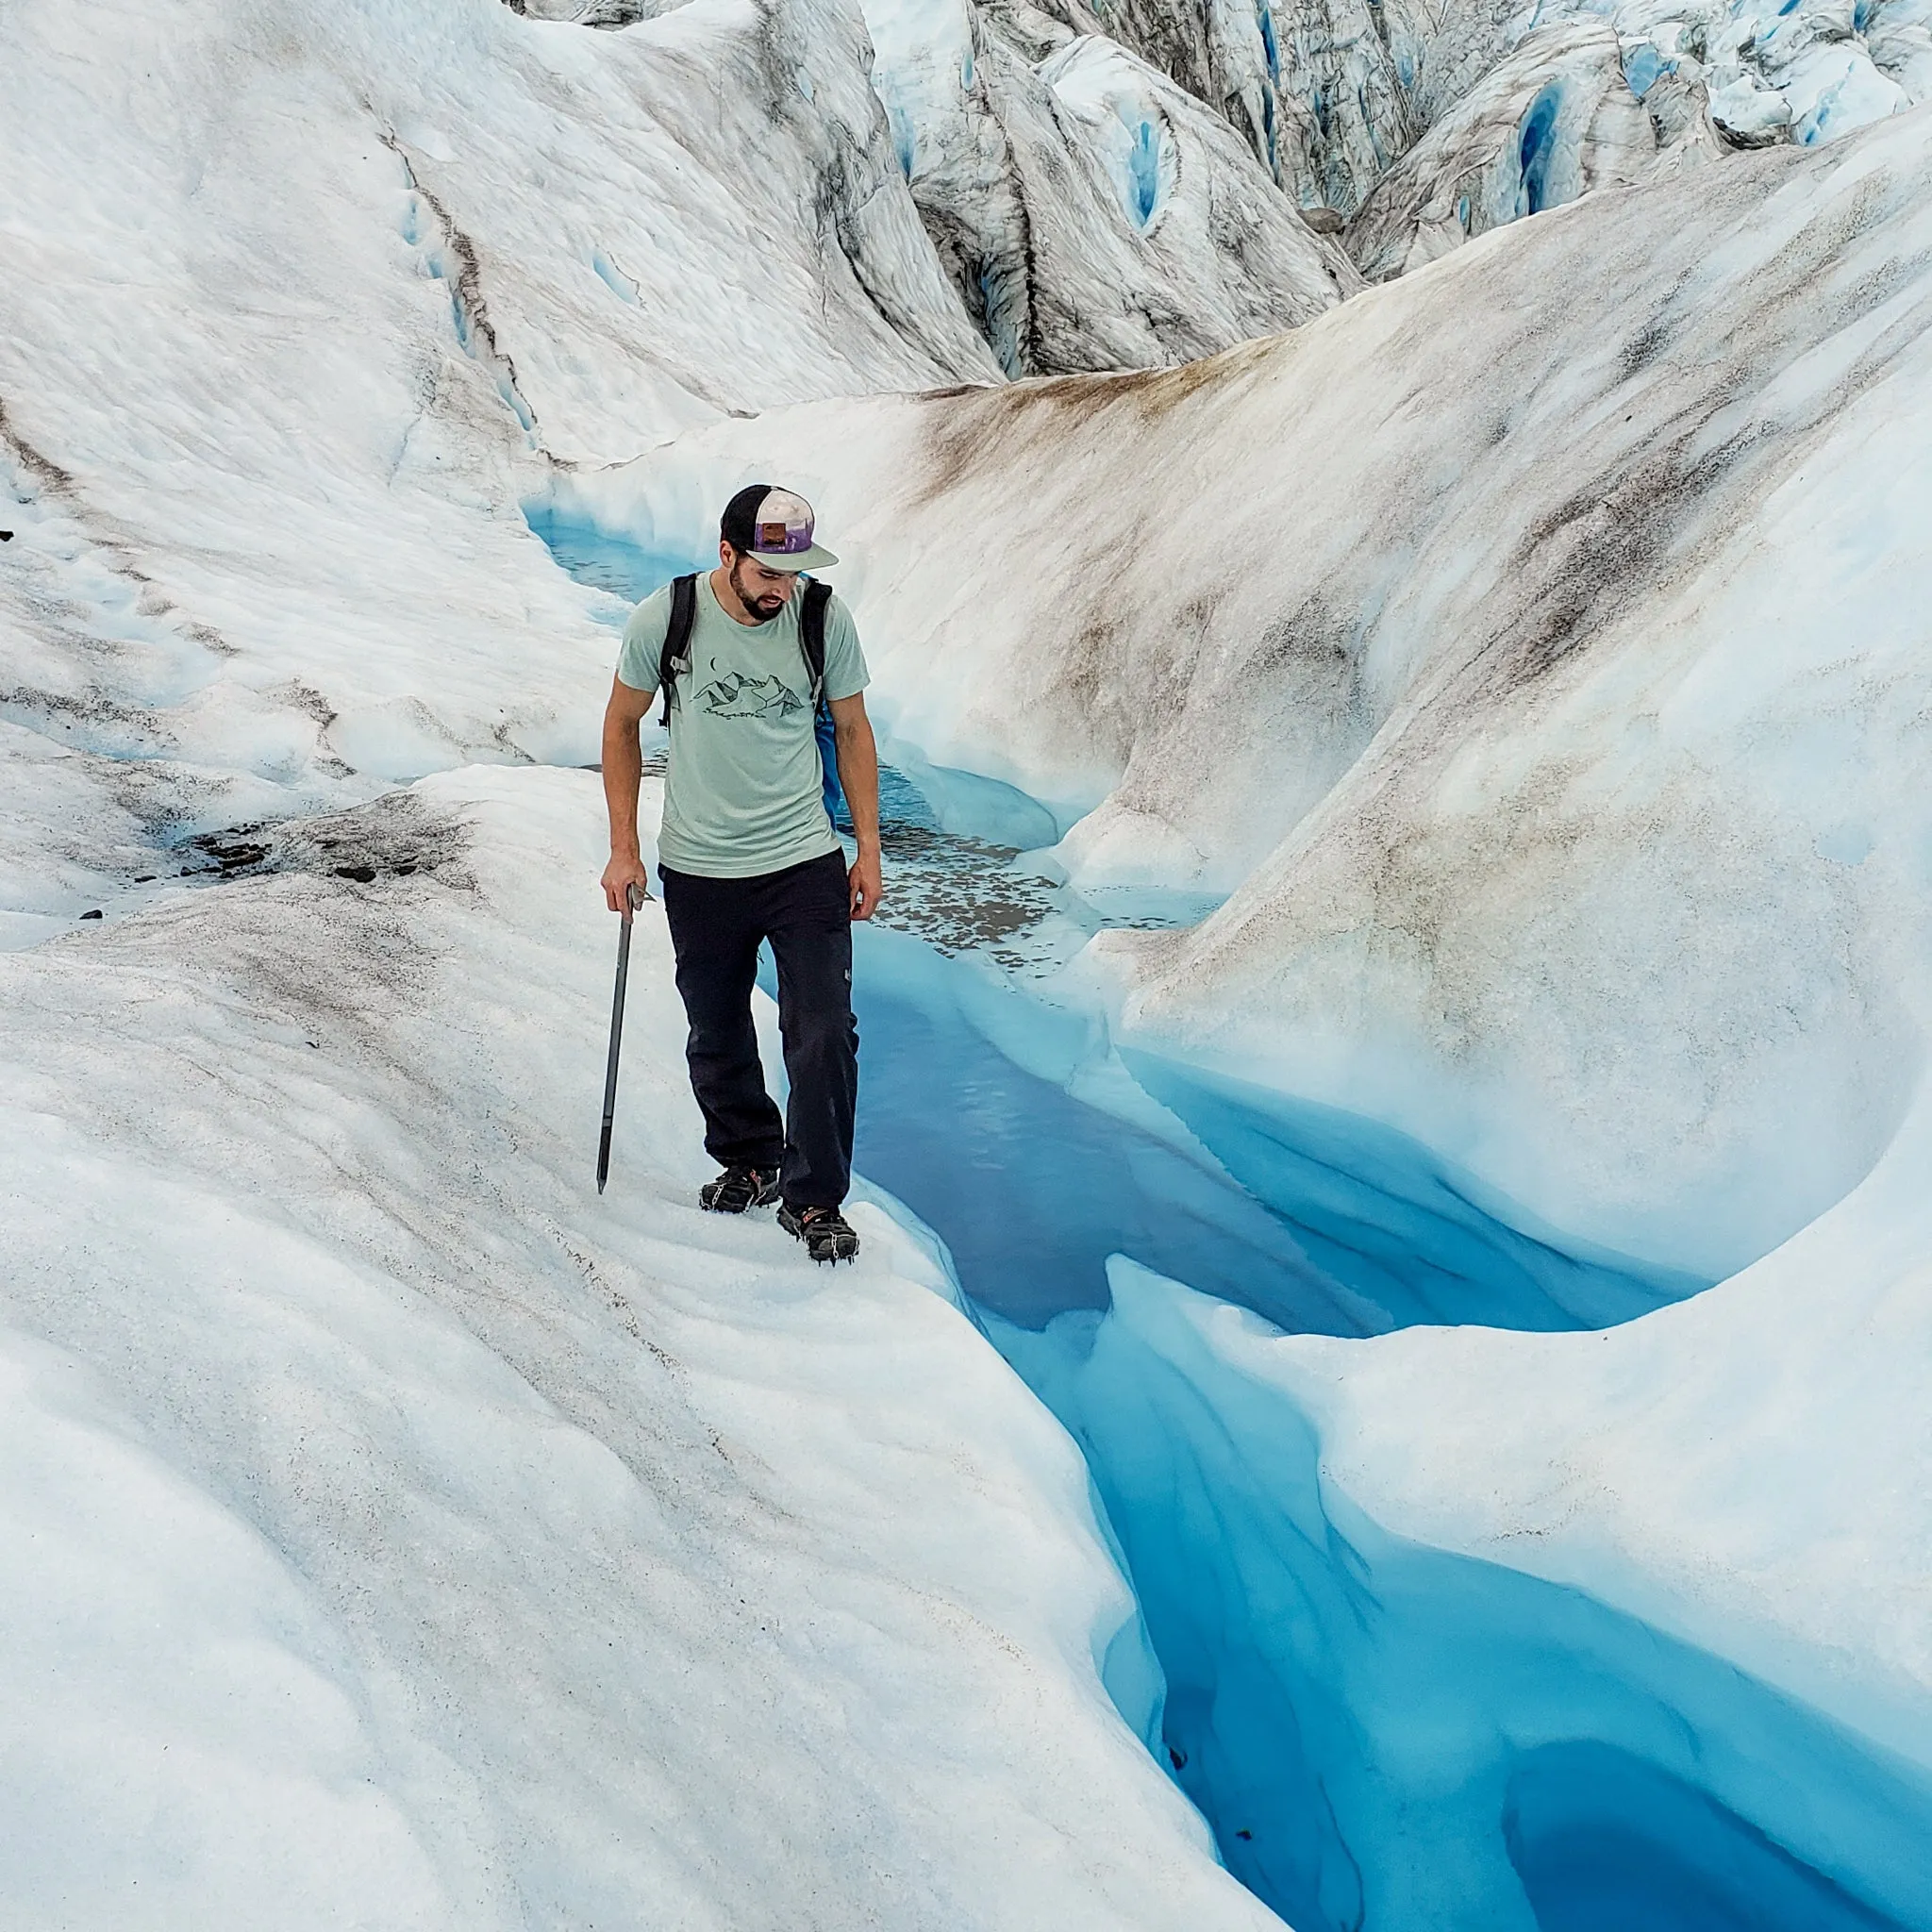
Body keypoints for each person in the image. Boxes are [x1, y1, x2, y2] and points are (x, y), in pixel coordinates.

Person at [598, 485, 883, 1264]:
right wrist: (623, 847)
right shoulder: (668, 618)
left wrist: (869, 848)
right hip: (699, 863)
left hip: (803, 858)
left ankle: (815, 1198)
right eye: (767, 575)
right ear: (727, 555)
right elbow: (622, 726)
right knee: (715, 1027)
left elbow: (853, 731)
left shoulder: (823, 619)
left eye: (791, 575)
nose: (780, 591)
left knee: (824, 1030)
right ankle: (750, 1158)